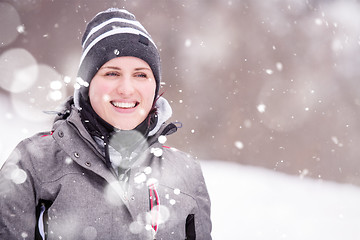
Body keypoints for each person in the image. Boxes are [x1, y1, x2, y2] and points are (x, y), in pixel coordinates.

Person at [0, 8, 212, 240]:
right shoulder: (33, 161)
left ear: (155, 85)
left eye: (141, 75)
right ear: (87, 84)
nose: (126, 88)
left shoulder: (186, 172)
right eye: (112, 73)